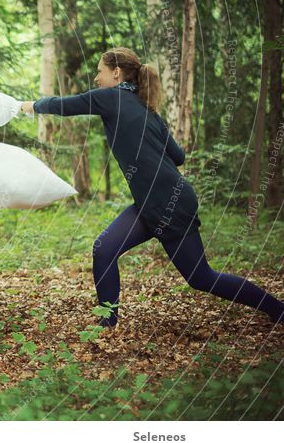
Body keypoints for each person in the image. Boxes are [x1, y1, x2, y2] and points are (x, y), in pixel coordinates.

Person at [20, 47, 284, 327]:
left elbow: (66, 105)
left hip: (168, 204)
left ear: (116, 73)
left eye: (100, 71)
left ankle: (277, 308)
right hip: (155, 203)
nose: (96, 78)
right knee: (104, 249)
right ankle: (107, 322)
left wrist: (31, 106)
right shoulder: (148, 111)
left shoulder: (111, 98)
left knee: (201, 277)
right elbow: (179, 156)